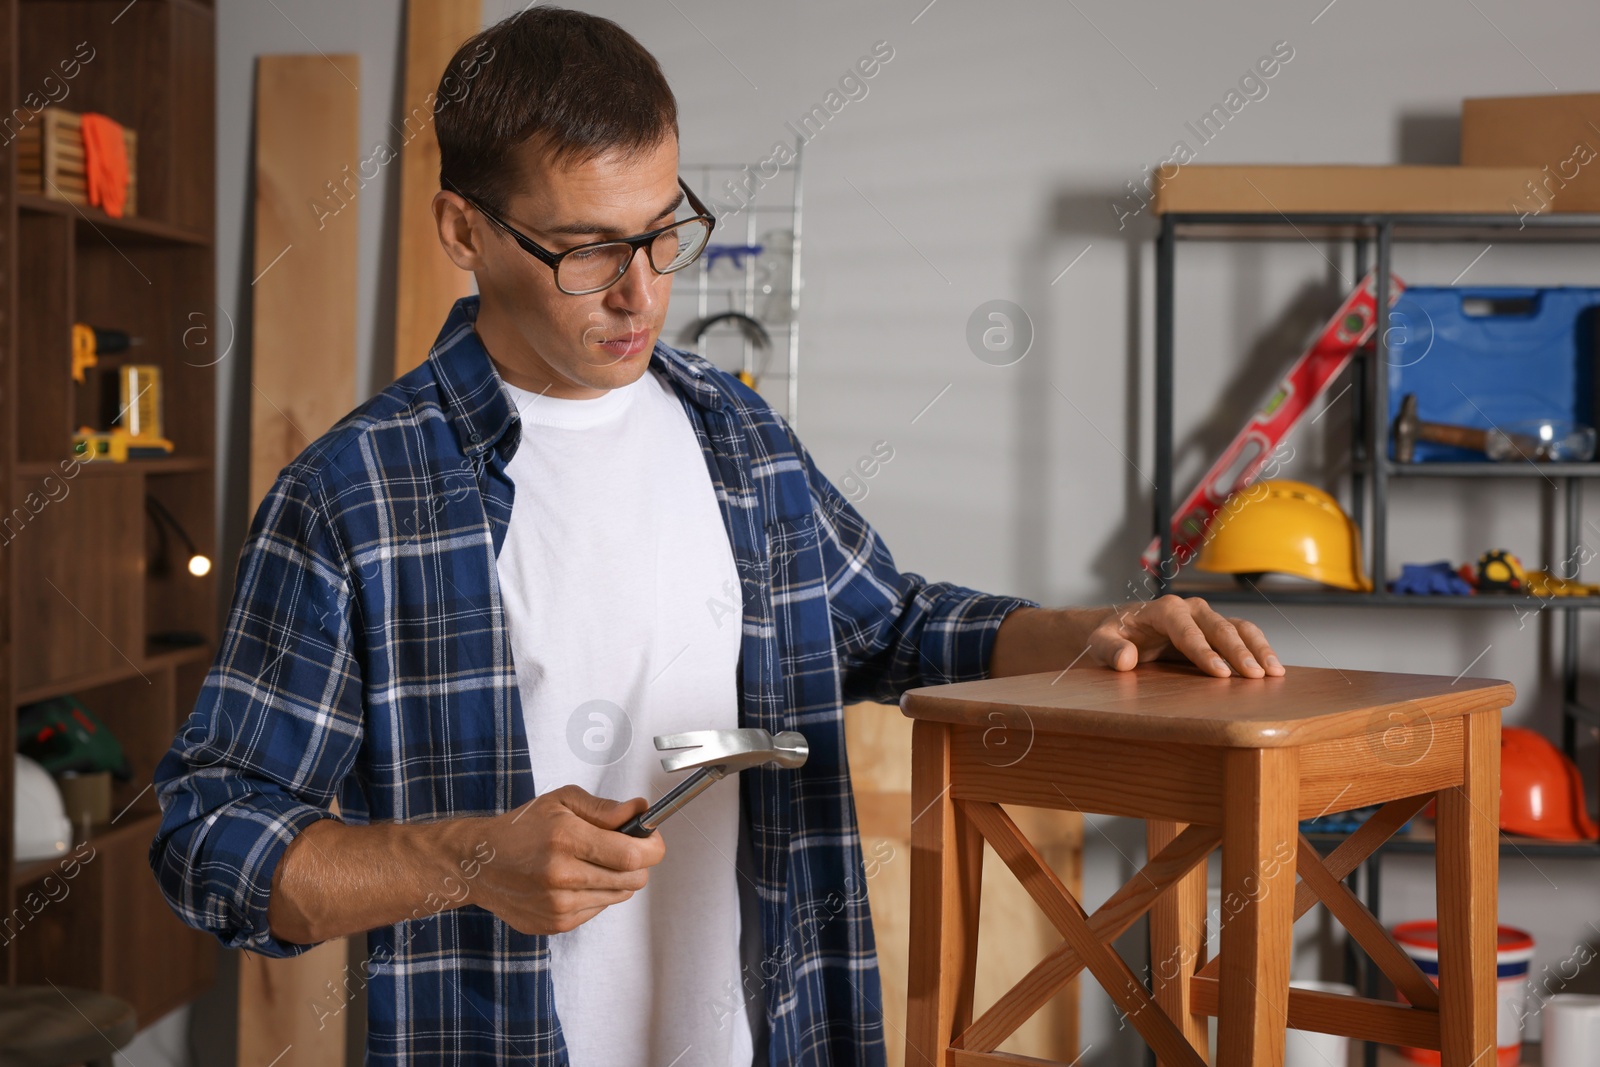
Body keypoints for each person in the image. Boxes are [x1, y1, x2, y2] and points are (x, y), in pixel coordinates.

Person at [149, 8, 1283, 1066]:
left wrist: (1092, 633)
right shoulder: (355, 495)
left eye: (661, 233)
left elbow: (891, 626)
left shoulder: (730, 430)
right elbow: (210, 838)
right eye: (586, 250)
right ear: (464, 230)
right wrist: (471, 861)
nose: (642, 294)